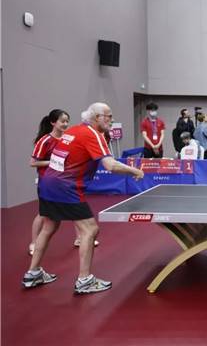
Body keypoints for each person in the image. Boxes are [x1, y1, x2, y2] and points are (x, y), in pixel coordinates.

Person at [23, 102, 144, 294]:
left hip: (48, 183)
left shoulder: (74, 130)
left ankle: (33, 272)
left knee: (49, 226)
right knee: (90, 229)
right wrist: (134, 170)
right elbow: (110, 165)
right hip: (66, 186)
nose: (111, 120)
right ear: (97, 118)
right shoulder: (93, 134)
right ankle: (85, 280)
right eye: (109, 116)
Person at [29, 109, 71, 256]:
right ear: (53, 122)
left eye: (67, 121)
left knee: (76, 209)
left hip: (65, 181)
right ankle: (34, 243)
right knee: (43, 215)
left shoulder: (68, 139)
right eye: (62, 121)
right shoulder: (45, 140)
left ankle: (80, 238)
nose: (65, 124)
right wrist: (53, 162)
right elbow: (33, 163)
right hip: (47, 182)